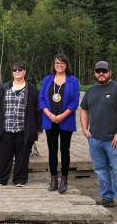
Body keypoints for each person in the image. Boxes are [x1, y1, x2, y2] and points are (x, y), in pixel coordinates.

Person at [80, 61, 117, 214]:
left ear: (110, 72)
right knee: (101, 170)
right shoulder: (90, 90)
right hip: (95, 139)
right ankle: (107, 198)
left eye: (104, 71)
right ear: (95, 73)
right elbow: (84, 110)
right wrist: (84, 129)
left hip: (115, 139)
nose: (101, 73)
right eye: (98, 71)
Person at [0, 62, 42, 187]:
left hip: (24, 129)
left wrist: (38, 126)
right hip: (6, 128)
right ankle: (1, 179)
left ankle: (20, 179)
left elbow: (38, 108)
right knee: (4, 155)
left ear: (25, 71)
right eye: (15, 69)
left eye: (20, 69)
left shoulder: (32, 89)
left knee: (23, 155)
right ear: (12, 72)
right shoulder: (4, 88)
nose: (17, 71)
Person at [38, 54, 79, 193]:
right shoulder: (47, 79)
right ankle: (53, 179)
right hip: (50, 121)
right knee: (52, 150)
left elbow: (75, 101)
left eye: (62, 63)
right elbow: (41, 98)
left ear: (67, 65)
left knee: (65, 150)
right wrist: (49, 115)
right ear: (53, 65)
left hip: (65, 120)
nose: (59, 65)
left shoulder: (73, 80)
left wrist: (62, 116)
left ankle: (64, 180)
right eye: (57, 63)